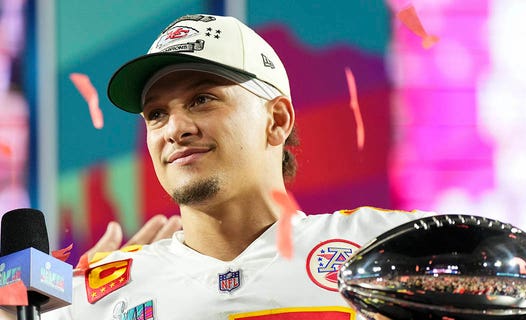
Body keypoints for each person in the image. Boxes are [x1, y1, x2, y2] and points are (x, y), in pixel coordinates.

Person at [42, 13, 435, 319]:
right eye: (157, 113)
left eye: (202, 99)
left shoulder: (389, 249)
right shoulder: (89, 298)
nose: (175, 129)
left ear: (277, 120)